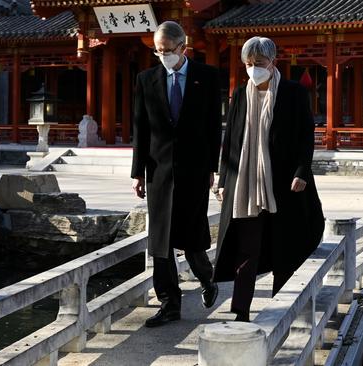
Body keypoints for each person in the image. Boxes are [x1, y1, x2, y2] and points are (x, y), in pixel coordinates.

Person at [214, 36, 325, 322]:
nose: (253, 69)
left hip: (284, 184)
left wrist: (302, 172)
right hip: (246, 184)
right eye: (249, 64)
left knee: (285, 247)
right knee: (246, 249)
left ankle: (281, 309)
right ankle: (240, 312)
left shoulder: (293, 93)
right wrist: (224, 179)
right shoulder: (240, 94)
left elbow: (305, 137)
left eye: (259, 64)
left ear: (273, 62)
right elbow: (232, 141)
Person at [131, 21, 221, 328]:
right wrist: (137, 173)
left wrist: (213, 168)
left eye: (168, 50)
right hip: (158, 170)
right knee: (161, 239)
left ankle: (208, 280)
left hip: (195, 169)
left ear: (183, 47)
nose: (163, 56)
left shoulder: (206, 77)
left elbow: (213, 127)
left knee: (193, 236)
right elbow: (140, 128)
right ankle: (169, 304)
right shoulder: (146, 79)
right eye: (158, 51)